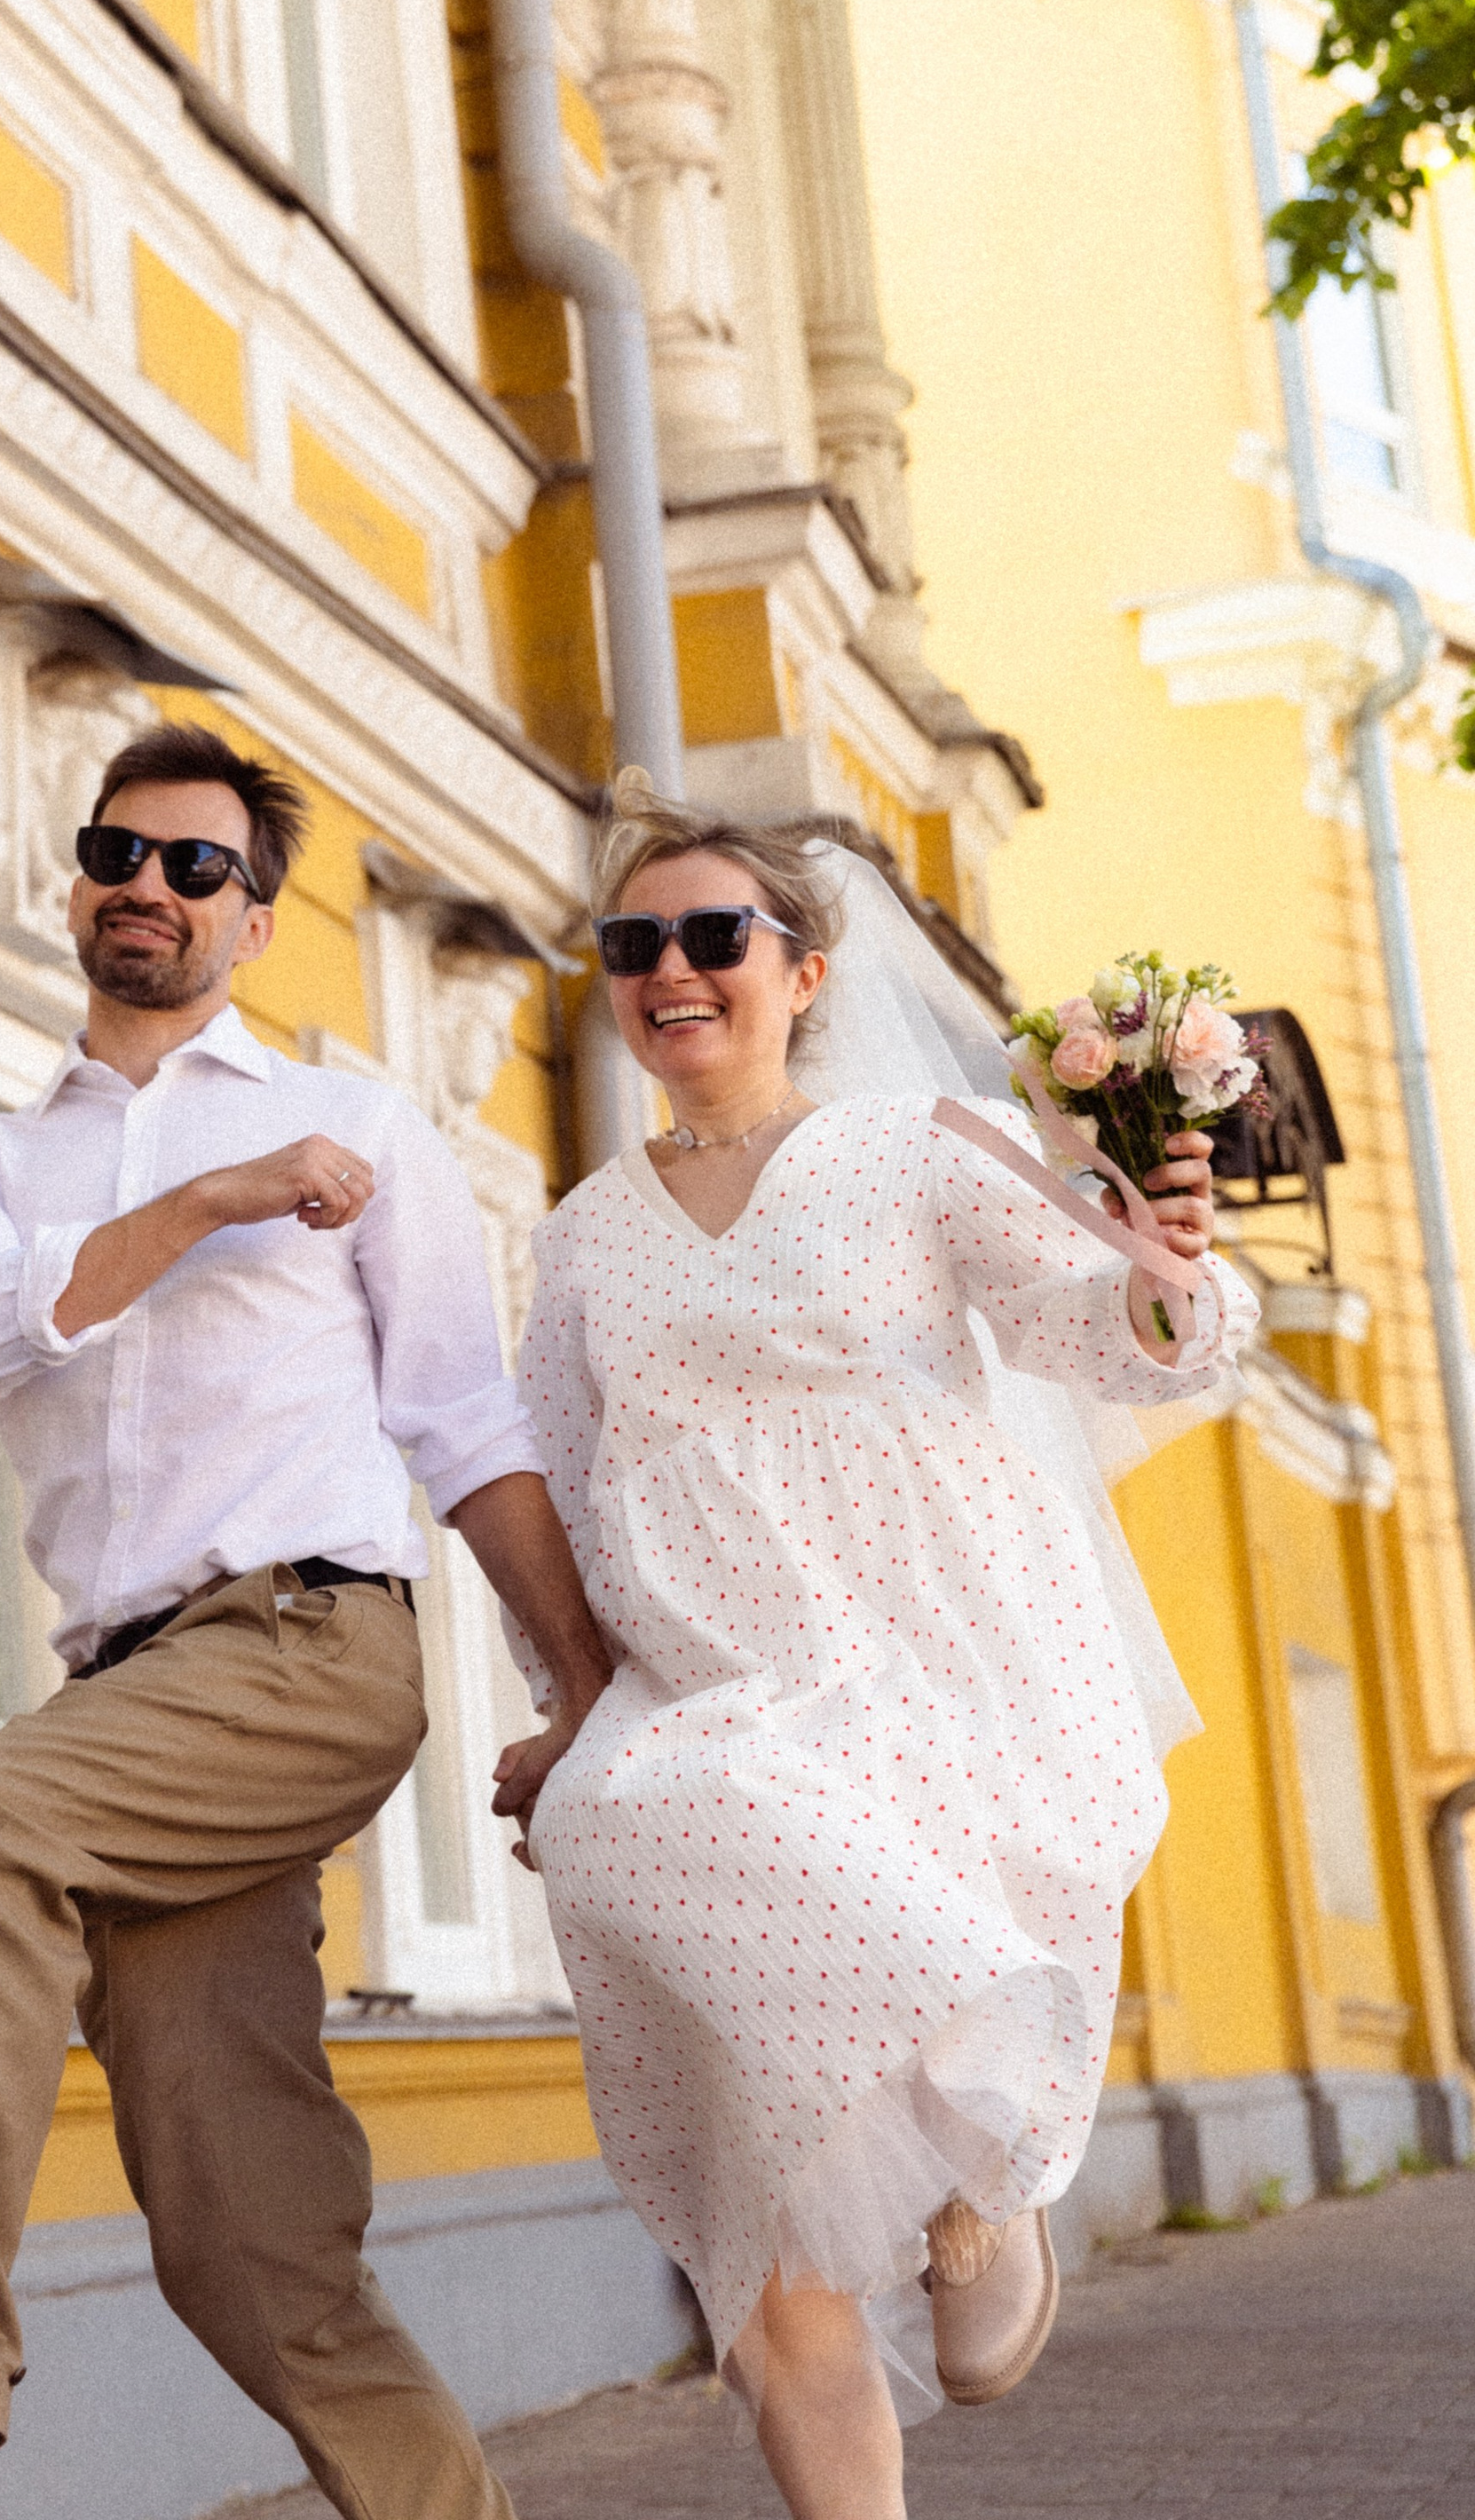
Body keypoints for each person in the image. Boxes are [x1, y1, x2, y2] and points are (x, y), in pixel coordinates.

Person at [0, 722, 612, 2520]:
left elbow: (468, 1427)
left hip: (314, 1649)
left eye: (196, 867)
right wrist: (205, 1202)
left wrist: (588, 1701)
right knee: (251, 2244)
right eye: (116, 852)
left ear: (253, 925)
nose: (145, 886)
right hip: (138, 1703)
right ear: (75, 882)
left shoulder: (363, 1131)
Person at [510, 774, 1257, 2520]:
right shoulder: (577, 1240)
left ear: (807, 971)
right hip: (709, 1693)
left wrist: (1166, 1271)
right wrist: (565, 1703)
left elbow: (1121, 1339)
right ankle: (936, 2197)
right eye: (635, 944)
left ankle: (972, 2181)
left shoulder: (916, 1149)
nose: (671, 970)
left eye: (715, 937)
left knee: (805, 1984)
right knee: (746, 2200)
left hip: (935, 1659)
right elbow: (548, 1488)